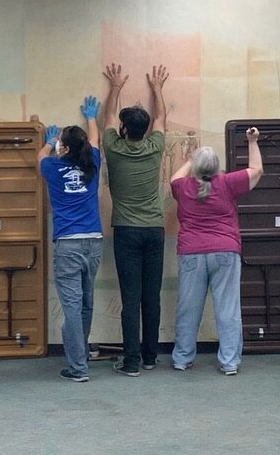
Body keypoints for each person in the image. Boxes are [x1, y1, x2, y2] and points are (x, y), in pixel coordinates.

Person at [168, 128, 263, 375]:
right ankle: (230, 362)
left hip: (191, 253)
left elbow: (173, 179)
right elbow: (257, 170)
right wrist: (252, 141)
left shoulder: (182, 187)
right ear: (217, 167)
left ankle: (182, 358)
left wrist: (190, 159)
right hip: (225, 251)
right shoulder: (228, 183)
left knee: (188, 308)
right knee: (228, 309)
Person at [101, 63, 169, 377]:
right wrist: (157, 88)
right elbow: (160, 118)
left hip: (127, 232)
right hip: (155, 230)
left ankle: (131, 363)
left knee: (131, 298)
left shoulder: (114, 149)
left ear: (125, 130)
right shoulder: (155, 148)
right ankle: (151, 356)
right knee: (150, 296)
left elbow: (108, 119)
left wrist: (114, 86)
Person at [38, 96, 103, 382]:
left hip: (68, 245)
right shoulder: (94, 162)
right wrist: (91, 117)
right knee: (86, 303)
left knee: (73, 307)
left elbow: (39, 157)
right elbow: (95, 141)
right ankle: (81, 357)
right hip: (94, 242)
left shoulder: (53, 167)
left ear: (63, 147)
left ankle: (78, 367)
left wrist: (50, 140)